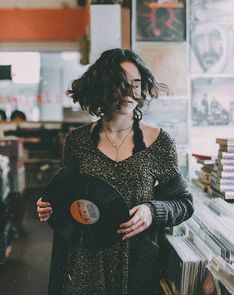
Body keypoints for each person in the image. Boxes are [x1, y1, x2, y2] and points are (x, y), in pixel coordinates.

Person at [36, 48, 194, 295]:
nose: (129, 93)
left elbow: (183, 203)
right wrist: (48, 205)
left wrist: (152, 210)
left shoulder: (160, 143)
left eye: (135, 84)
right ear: (101, 87)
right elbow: (64, 193)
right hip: (85, 263)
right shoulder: (77, 141)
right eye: (119, 84)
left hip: (137, 263)